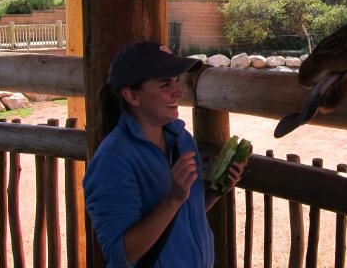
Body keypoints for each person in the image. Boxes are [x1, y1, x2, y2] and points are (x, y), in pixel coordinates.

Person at [83, 41, 245, 267]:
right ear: (132, 96)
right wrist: (173, 198)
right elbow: (121, 255)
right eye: (165, 84)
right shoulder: (112, 161)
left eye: (177, 81)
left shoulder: (181, 139)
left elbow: (182, 214)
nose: (177, 91)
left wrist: (215, 191)